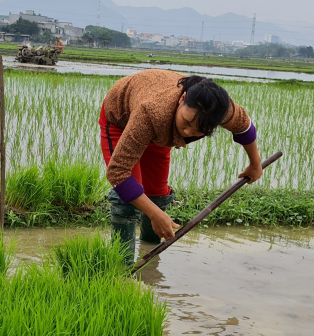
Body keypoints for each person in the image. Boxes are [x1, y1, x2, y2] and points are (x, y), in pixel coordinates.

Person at [99, 69, 262, 262]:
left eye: (198, 131)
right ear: (182, 98)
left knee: (157, 195)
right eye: (186, 122)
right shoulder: (152, 112)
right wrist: (154, 214)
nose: (186, 132)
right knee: (126, 200)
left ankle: (149, 258)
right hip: (122, 117)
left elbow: (245, 128)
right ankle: (121, 266)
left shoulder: (224, 111)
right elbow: (118, 172)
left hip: (160, 132)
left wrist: (255, 164)